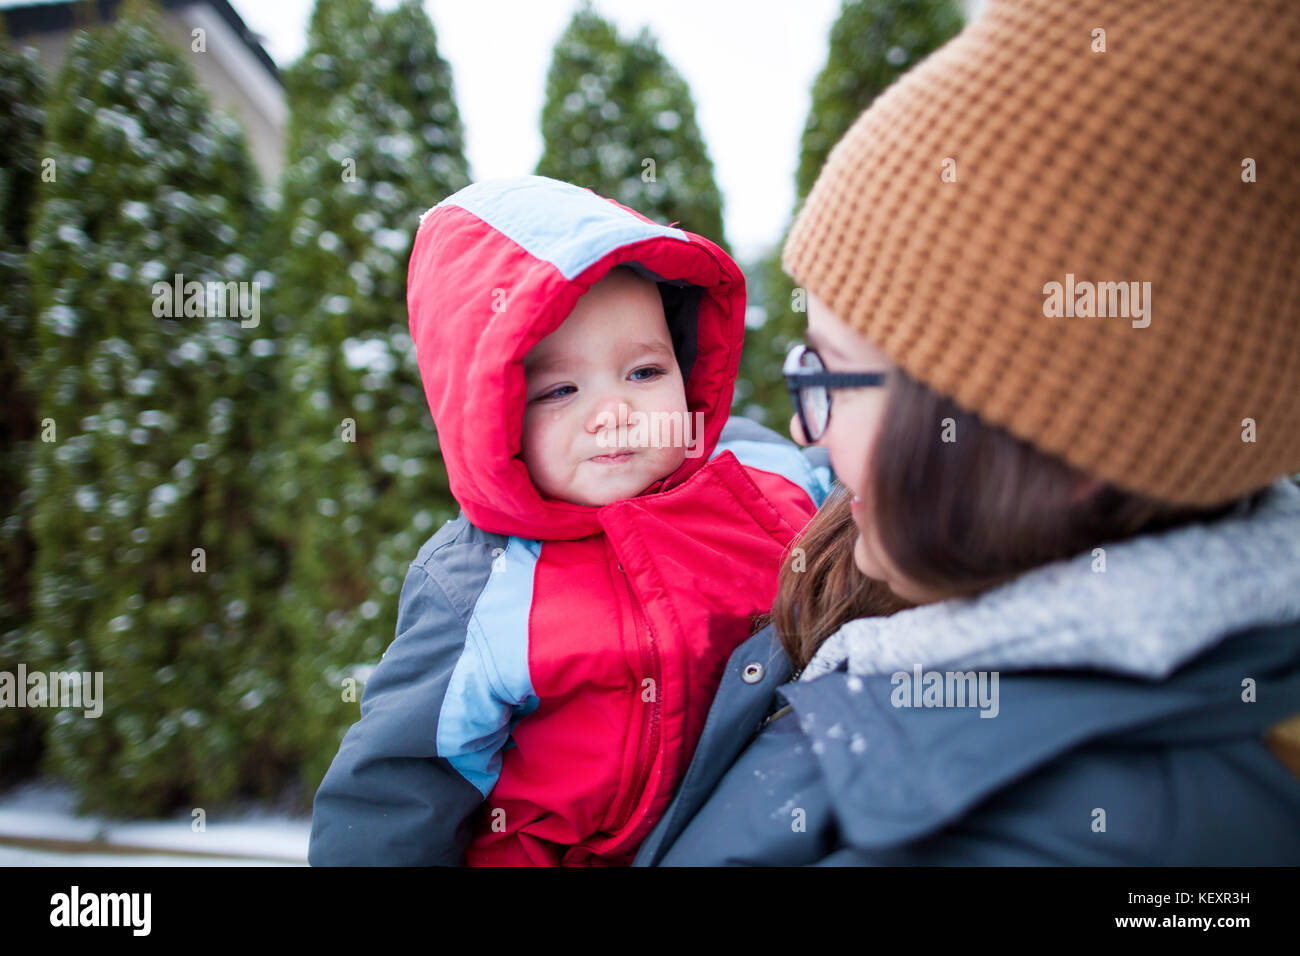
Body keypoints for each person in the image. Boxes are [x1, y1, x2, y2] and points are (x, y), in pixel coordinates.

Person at [631, 0, 1300, 865]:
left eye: (832, 377)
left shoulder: (1075, 843)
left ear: (1053, 448)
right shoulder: (926, 564)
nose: (803, 421)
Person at [307, 175, 831, 866]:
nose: (613, 412)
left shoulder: (761, 473)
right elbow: (395, 790)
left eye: (644, 373)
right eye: (561, 389)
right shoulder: (481, 585)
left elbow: (875, 517)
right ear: (497, 417)